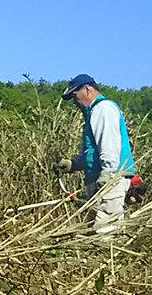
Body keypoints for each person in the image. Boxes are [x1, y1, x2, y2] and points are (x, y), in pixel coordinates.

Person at [55, 74, 135, 233]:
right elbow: (92, 151)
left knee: (104, 232)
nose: (75, 102)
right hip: (102, 179)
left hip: (109, 180)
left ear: (87, 89)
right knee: (93, 231)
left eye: (75, 96)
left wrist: (107, 173)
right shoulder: (94, 113)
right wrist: (73, 164)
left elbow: (109, 144)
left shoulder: (103, 108)